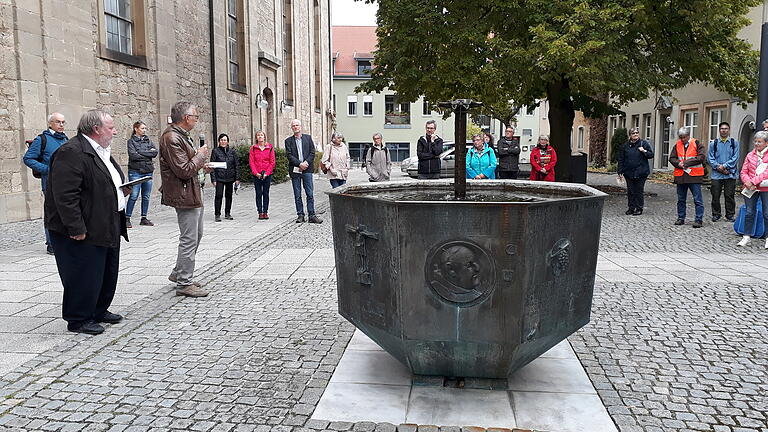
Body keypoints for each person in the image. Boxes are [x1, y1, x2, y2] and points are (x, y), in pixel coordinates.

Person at [45, 110, 130, 335]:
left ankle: (98, 309)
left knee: (105, 270)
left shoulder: (100, 151)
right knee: (83, 273)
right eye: (111, 127)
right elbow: (65, 196)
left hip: (105, 221)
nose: (115, 131)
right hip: (83, 227)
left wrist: (121, 191)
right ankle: (79, 318)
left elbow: (103, 182)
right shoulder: (71, 152)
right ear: (96, 129)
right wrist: (75, 228)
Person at [159, 101, 212, 297]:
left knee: (196, 235)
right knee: (189, 238)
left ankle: (180, 273)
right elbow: (183, 170)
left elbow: (188, 165)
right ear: (186, 118)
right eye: (195, 116)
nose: (197, 119)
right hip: (184, 193)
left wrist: (202, 165)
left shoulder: (181, 135)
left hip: (192, 190)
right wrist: (200, 156)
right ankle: (183, 282)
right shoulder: (172, 137)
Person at [23, 112, 69, 254]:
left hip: (66, 183)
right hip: (50, 183)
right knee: (51, 213)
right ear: (50, 123)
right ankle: (51, 244)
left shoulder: (65, 139)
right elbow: (28, 158)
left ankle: (63, 241)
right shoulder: (41, 139)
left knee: (66, 212)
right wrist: (47, 170)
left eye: (63, 122)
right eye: (58, 122)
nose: (61, 125)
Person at [285, 119, 322, 223]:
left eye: (297, 125)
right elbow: (289, 155)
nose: (295, 127)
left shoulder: (308, 138)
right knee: (297, 194)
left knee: (309, 193)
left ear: (300, 127)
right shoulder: (288, 141)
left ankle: (312, 215)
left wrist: (305, 163)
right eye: (293, 126)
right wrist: (299, 164)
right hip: (295, 170)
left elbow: (312, 152)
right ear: (292, 128)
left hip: (307, 169)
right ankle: (300, 215)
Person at [669, 127, 705, 228]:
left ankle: (698, 219)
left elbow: (701, 157)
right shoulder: (677, 145)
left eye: (684, 137)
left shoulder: (697, 143)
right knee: (681, 199)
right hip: (681, 176)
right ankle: (681, 218)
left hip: (694, 176)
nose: (682, 139)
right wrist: (678, 164)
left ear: (688, 136)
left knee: (697, 199)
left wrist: (685, 163)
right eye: (680, 137)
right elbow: (672, 158)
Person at [737, 131, 768, 248]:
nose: (756, 143)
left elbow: (766, 173)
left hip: (765, 187)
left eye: (759, 141)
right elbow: (743, 171)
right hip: (750, 188)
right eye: (755, 141)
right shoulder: (750, 155)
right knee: (749, 212)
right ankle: (746, 236)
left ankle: (767, 237)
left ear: (766, 143)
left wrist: (754, 181)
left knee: (767, 213)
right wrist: (747, 182)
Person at [125, 121, 158, 228]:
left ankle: (144, 218)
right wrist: (147, 154)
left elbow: (155, 152)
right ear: (136, 129)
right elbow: (133, 156)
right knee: (134, 195)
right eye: (142, 128)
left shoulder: (148, 140)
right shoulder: (131, 142)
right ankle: (127, 218)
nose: (144, 130)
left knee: (146, 196)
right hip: (136, 172)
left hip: (148, 171)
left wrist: (140, 152)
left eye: (145, 128)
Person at [617, 127, 654, 216]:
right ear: (630, 135)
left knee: (639, 190)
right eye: (633, 133)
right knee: (630, 191)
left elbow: (651, 155)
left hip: (641, 172)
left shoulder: (643, 143)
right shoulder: (625, 146)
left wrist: (644, 151)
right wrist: (620, 171)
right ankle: (631, 207)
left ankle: (639, 208)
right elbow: (621, 159)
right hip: (628, 172)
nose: (635, 135)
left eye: (637, 133)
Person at [707, 122, 740, 222]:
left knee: (729, 195)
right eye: (722, 129)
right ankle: (716, 214)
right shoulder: (714, 143)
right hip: (716, 175)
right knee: (715, 195)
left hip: (730, 174)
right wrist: (718, 167)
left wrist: (725, 166)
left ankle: (730, 214)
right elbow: (710, 158)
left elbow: (735, 158)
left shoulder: (734, 143)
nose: (724, 130)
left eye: (726, 129)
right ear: (719, 130)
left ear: (729, 130)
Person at [210, 133, 240, 222]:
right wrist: (213, 179)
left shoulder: (232, 152)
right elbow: (212, 166)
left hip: (230, 177)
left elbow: (236, 165)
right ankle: (217, 214)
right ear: (219, 141)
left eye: (225, 140)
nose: (223, 142)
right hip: (219, 177)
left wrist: (237, 178)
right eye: (222, 140)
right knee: (218, 195)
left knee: (229, 195)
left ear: (228, 142)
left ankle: (227, 213)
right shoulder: (215, 151)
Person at [249, 130, 275, 220]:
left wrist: (267, 173)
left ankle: (265, 211)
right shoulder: (253, 148)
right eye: (258, 135)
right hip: (257, 174)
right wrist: (256, 173)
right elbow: (251, 162)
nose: (260, 137)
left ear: (264, 137)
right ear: (256, 138)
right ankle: (260, 211)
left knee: (266, 193)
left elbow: (272, 162)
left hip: (267, 174)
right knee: (258, 193)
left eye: (261, 135)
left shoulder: (270, 148)